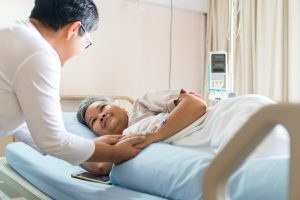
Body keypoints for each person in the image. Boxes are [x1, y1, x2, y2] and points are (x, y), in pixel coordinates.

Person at [0, 0, 146, 166]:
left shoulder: (13, 33)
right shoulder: (39, 54)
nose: (80, 50)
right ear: (74, 29)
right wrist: (114, 153)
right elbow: (53, 140)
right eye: (86, 42)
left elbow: (27, 127)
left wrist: (90, 149)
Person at [77, 89, 208, 175]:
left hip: (215, 122)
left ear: (121, 107)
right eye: (93, 120)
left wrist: (152, 136)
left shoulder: (143, 103)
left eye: (103, 107)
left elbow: (195, 104)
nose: (101, 116)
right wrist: (80, 150)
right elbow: (102, 167)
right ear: (97, 134)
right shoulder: (123, 145)